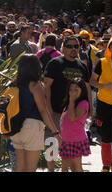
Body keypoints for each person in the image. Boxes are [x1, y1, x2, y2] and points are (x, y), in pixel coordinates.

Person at [43, 36, 92, 172]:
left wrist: (91, 110)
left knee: (71, 149)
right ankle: (51, 170)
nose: (73, 49)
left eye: (76, 46)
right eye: (69, 46)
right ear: (63, 48)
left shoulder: (82, 65)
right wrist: (48, 109)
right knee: (51, 144)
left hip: (75, 115)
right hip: (56, 111)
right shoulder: (54, 63)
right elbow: (46, 87)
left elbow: (87, 88)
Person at [7, 54, 61, 172]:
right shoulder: (35, 85)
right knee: (30, 168)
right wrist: (55, 131)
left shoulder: (13, 84)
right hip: (32, 126)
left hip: (15, 127)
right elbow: (43, 110)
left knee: (19, 167)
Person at [89, 36, 112, 172]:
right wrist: (104, 86)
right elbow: (92, 81)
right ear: (109, 48)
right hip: (104, 103)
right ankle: (106, 165)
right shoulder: (102, 62)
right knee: (105, 135)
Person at [59, 78, 91, 172]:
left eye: (76, 89)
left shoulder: (83, 103)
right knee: (64, 167)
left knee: (76, 167)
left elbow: (72, 118)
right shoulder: (69, 104)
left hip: (76, 140)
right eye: (70, 89)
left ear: (82, 90)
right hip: (66, 140)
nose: (72, 92)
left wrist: (72, 100)